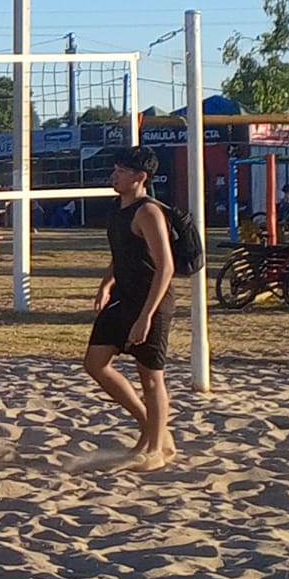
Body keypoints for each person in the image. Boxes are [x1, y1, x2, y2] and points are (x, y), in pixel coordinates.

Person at [82, 146, 177, 471]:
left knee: (150, 377)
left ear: (140, 177)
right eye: (115, 169)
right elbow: (122, 252)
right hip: (123, 297)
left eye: (121, 171)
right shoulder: (116, 208)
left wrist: (146, 316)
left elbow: (165, 266)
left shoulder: (148, 212)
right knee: (95, 363)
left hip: (151, 301)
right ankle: (152, 428)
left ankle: (154, 450)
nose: (115, 175)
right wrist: (106, 283)